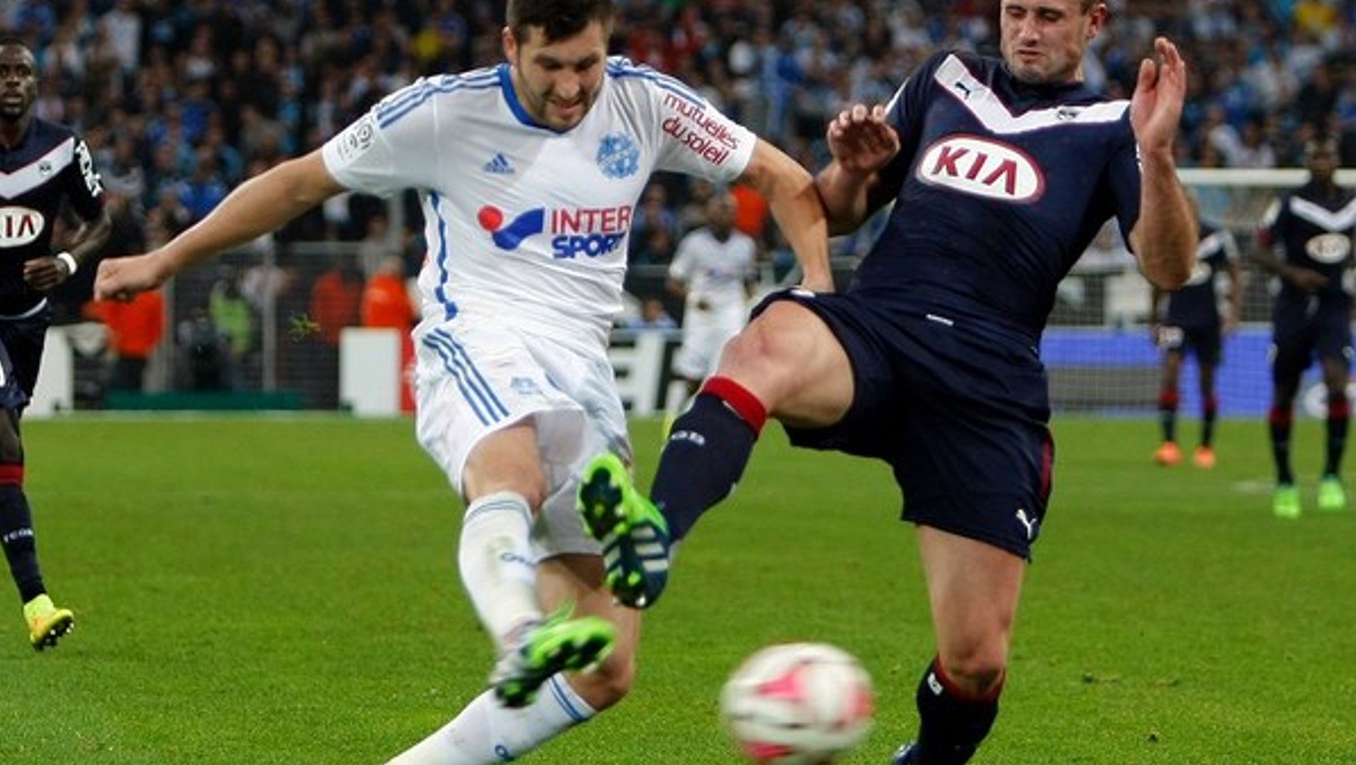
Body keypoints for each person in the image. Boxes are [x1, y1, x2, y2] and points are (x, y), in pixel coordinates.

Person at [94, 1, 831, 762]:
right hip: (478, 337)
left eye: (588, 64)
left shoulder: (645, 101)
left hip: (583, 377)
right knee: (512, 478)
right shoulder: (443, 114)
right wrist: (163, 261)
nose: (574, 88)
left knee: (606, 667)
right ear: (512, 44)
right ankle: (516, 633)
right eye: (552, 66)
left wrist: (814, 288)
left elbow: (779, 174)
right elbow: (296, 184)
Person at [576, 4, 1196, 764]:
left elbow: (1168, 267)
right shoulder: (948, 79)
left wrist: (1158, 156)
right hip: (881, 327)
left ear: (1093, 21)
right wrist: (853, 167)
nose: (1027, 30)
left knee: (975, 660)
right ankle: (654, 531)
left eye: (1050, 15)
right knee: (765, 343)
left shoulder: (1113, 126)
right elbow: (836, 212)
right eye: (1015, 12)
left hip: (988, 380)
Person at [0, 37, 112, 650]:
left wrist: (67, 263)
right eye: (2, 72)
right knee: (2, 434)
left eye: (23, 72)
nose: (12, 81)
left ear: (36, 83)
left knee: (5, 444)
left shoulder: (63, 147)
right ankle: (37, 602)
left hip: (30, 319)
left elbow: (103, 220)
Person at [1253, 138, 1356, 519]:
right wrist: (1293, 272)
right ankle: (1285, 481)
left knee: (1335, 381)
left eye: (1327, 154)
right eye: (1314, 155)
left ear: (1337, 159)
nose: (1322, 161)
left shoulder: (1350, 203)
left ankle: (1331, 475)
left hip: (1334, 307)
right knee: (1284, 393)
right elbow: (1259, 249)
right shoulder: (1289, 202)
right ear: (1307, 161)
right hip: (1293, 309)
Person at [1150, 195, 1242, 469]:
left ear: (1196, 209)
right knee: (1170, 371)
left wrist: (1233, 313)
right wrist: (1155, 318)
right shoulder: (1168, 237)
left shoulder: (1216, 238)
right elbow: (1156, 279)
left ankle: (1205, 446)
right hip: (1175, 318)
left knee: (1206, 381)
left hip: (1208, 320)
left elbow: (1236, 273)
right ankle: (1169, 445)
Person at [664, 188, 759, 420]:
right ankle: (675, 414)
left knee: (724, 368)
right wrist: (694, 299)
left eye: (730, 210)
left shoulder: (745, 245)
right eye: (721, 209)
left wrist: (750, 303)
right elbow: (673, 281)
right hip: (701, 312)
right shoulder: (694, 243)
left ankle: (707, 417)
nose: (726, 214)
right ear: (708, 213)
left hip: (730, 311)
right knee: (692, 372)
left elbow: (750, 280)